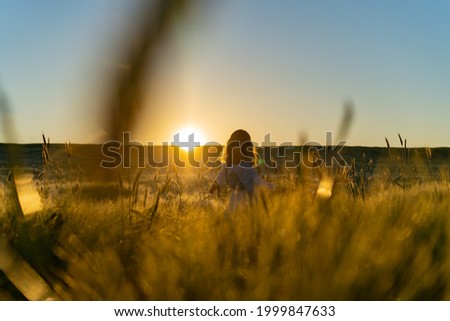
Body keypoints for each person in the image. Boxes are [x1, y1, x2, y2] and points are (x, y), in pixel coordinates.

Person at [210, 129, 273, 211]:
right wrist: (275, 188)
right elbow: (257, 183)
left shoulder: (228, 166)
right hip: (246, 202)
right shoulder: (243, 166)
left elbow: (219, 180)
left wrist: (212, 189)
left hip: (233, 201)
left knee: (233, 220)